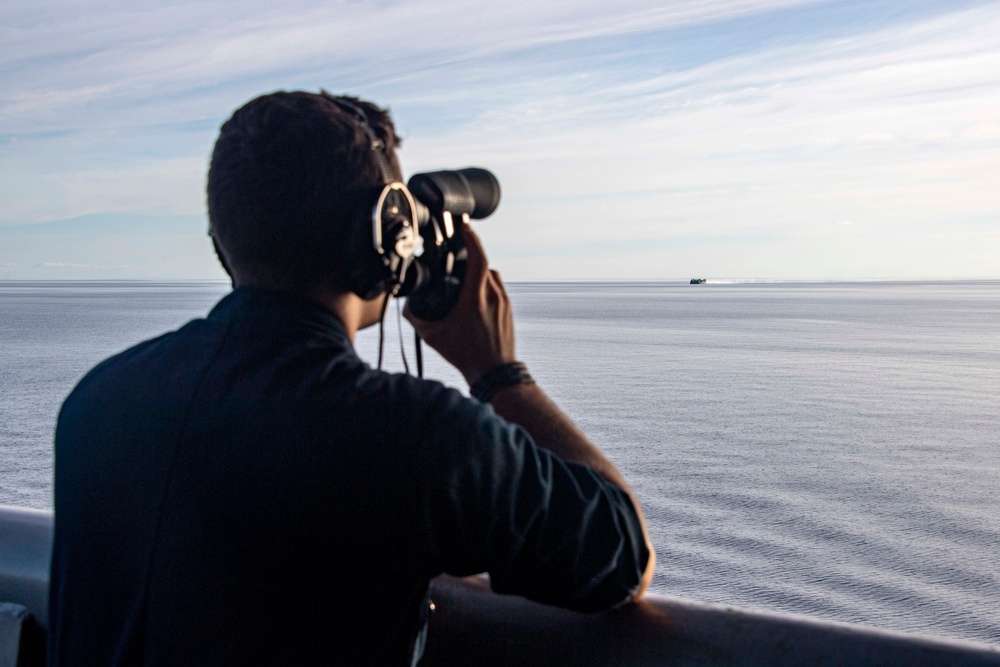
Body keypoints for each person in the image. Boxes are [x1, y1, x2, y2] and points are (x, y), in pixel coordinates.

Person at [47, 91, 655, 666]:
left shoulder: (98, 402)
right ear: (389, 236)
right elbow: (622, 557)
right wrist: (498, 373)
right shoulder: (417, 437)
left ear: (222, 246)